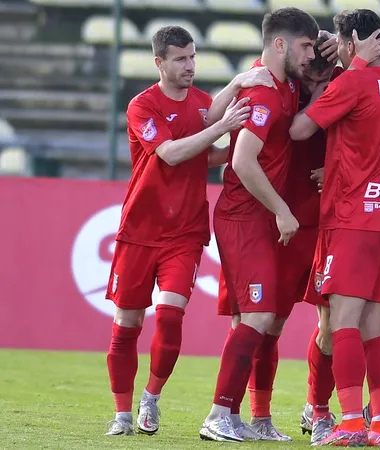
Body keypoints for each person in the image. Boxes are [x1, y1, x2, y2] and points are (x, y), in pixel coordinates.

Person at [290, 8, 380, 447]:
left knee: (343, 325)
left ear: (352, 44)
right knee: (378, 326)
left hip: (353, 219)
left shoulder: (350, 81)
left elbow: (299, 130)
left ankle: (350, 421)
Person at [103, 25, 260, 437]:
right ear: (160, 62)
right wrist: (221, 126)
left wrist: (243, 144)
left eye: (192, 57)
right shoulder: (143, 106)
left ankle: (150, 398)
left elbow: (205, 155)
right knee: (127, 323)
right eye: (180, 59)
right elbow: (171, 154)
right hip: (139, 229)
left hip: (185, 232)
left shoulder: (203, 104)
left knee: (171, 316)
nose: (190, 65)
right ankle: (120, 415)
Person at [199, 8, 320, 442]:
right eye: (305, 46)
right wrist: (282, 210)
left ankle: (248, 418)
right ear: (281, 45)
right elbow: (242, 160)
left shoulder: (282, 82)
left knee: (258, 321)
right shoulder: (266, 91)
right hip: (243, 213)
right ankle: (218, 414)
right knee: (258, 314)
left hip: (255, 215)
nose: (310, 55)